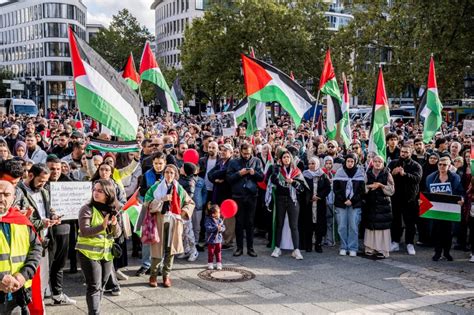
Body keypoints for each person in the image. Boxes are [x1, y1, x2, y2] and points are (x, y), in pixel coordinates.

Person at [144, 164, 195, 288]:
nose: (169, 175)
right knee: (157, 249)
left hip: (174, 221)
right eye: (167, 172)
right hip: (159, 220)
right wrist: (162, 199)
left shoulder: (180, 189)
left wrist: (183, 212)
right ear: (163, 174)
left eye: (172, 173)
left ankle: (166, 275)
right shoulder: (156, 187)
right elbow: (147, 202)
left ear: (175, 175)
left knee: (170, 249)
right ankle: (153, 275)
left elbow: (190, 202)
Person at [76, 179, 122, 315]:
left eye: (100, 191)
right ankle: (94, 312)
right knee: (94, 286)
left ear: (108, 194)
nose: (96, 193)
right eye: (94, 190)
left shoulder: (113, 209)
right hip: (88, 253)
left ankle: (96, 310)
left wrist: (114, 225)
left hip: (106, 253)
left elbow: (117, 234)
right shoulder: (87, 208)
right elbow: (84, 231)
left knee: (101, 285)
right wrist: (102, 226)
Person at [0, 180, 43, 315]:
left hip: (18, 291)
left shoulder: (21, 221)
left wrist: (23, 275)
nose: (1, 198)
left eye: (6, 195)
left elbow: (36, 249)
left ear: (13, 198)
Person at [226, 143, 264, 257]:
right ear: (240, 151)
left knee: (250, 222)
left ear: (251, 151)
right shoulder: (233, 162)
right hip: (238, 196)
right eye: (244, 153)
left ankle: (251, 248)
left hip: (252, 196)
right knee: (239, 222)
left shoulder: (257, 161)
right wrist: (239, 173)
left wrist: (254, 173)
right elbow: (229, 179)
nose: (246, 155)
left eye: (248, 153)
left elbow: (262, 177)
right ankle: (239, 248)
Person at [426, 156, 464, 261]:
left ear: (449, 165)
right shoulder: (430, 178)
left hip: (450, 209)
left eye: (445, 165)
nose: (442, 167)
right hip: (436, 209)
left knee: (448, 232)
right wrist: (423, 201)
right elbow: (427, 193)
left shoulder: (456, 177)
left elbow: (461, 192)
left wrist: (462, 200)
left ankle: (446, 252)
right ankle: (437, 252)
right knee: (436, 231)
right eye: (440, 164)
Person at [270, 150, 306, 259]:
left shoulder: (296, 171)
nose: (286, 159)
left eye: (288, 157)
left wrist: (293, 182)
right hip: (281, 199)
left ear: (291, 159)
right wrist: (276, 173)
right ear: (281, 159)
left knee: (293, 225)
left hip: (293, 200)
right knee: (279, 224)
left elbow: (302, 188)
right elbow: (272, 181)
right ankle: (277, 248)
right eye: (284, 157)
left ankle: (296, 249)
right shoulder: (278, 170)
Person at [388, 145, 422, 255]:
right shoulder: (393, 163)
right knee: (395, 221)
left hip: (410, 199)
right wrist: (392, 174)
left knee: (410, 223)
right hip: (395, 198)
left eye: (406, 152)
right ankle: (395, 242)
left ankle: (409, 243)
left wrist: (404, 174)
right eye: (402, 152)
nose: (403, 154)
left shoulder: (416, 165)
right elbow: (385, 176)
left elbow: (417, 179)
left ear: (410, 153)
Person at [333, 153, 366, 257]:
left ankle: (352, 247)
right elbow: (336, 189)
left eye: (352, 161)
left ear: (355, 162)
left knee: (353, 225)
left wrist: (352, 200)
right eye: (348, 161)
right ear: (345, 161)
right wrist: (344, 199)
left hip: (355, 204)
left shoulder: (360, 173)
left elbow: (361, 191)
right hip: (341, 203)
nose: (350, 163)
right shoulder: (339, 172)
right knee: (342, 226)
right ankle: (343, 246)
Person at [364, 155, 395, 258]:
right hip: (371, 204)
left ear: (383, 163)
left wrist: (381, 186)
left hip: (384, 205)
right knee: (371, 227)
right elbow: (362, 188)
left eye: (379, 162)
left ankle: (382, 250)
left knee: (382, 228)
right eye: (375, 161)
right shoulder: (368, 173)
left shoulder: (387, 174)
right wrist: (369, 186)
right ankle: (370, 248)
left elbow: (391, 190)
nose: (377, 163)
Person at [301, 157, 331, 253]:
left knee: (319, 225)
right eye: (310, 163)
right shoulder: (304, 175)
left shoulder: (323, 175)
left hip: (319, 203)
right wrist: (309, 197)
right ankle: (308, 245)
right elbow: (302, 188)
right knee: (308, 224)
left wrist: (319, 196)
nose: (311, 165)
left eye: (313, 163)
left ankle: (318, 244)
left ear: (317, 164)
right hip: (308, 203)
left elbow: (327, 188)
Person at [205, 204, 225, 270]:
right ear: (213, 214)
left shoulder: (220, 220)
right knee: (211, 252)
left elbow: (223, 227)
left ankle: (219, 263)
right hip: (211, 240)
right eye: (218, 212)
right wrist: (216, 227)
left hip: (218, 240)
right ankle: (210, 263)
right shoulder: (208, 220)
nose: (219, 214)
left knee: (218, 252)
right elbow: (208, 229)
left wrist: (221, 229)